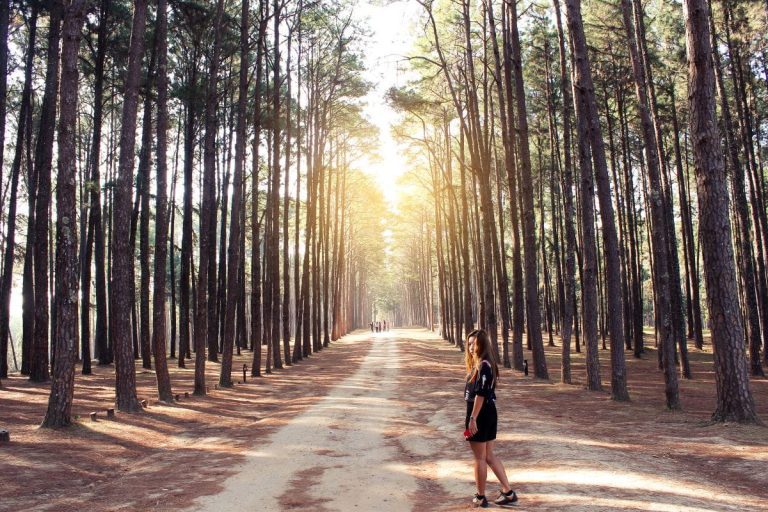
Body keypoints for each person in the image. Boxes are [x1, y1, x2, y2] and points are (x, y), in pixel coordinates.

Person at [464, 329, 517, 508]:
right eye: (469, 344)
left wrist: (472, 419)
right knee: (488, 456)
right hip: (486, 412)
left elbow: (480, 395)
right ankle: (508, 492)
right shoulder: (484, 364)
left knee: (479, 458)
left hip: (480, 413)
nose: (471, 347)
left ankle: (480, 497)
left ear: (483, 344)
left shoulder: (483, 365)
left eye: (474, 343)